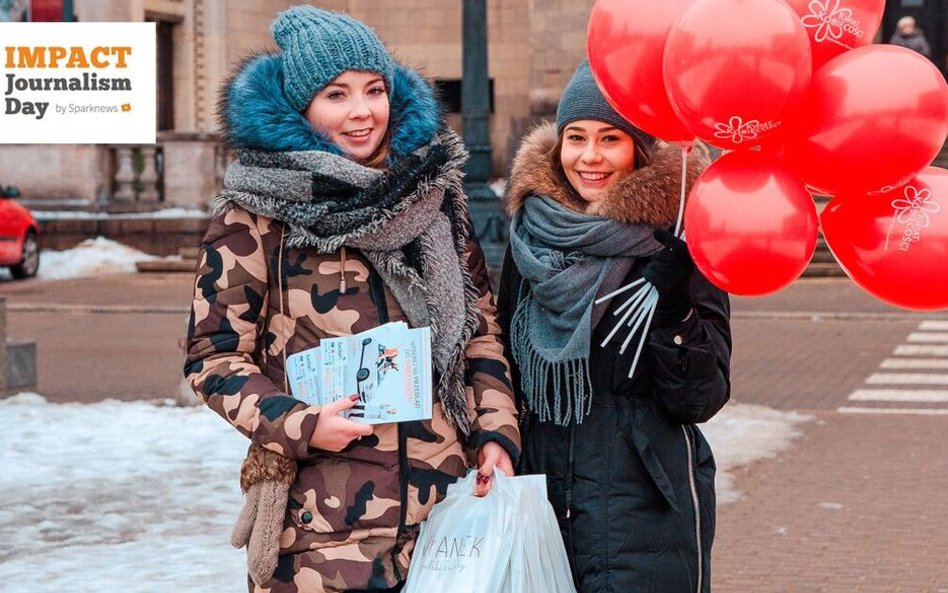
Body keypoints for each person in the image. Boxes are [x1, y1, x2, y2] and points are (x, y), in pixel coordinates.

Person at [184, 6, 519, 592]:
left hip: (448, 517)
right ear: (301, 109)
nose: (363, 112)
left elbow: (479, 330)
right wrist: (298, 423)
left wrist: (495, 433)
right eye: (336, 95)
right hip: (320, 533)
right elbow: (212, 359)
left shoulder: (432, 200)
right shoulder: (256, 214)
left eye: (374, 90)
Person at [496, 61, 732, 593]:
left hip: (645, 508)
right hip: (540, 500)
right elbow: (503, 364)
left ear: (640, 149)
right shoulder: (531, 238)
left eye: (611, 138)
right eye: (575, 138)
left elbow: (701, 398)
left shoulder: (680, 238)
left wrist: (674, 311)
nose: (590, 157)